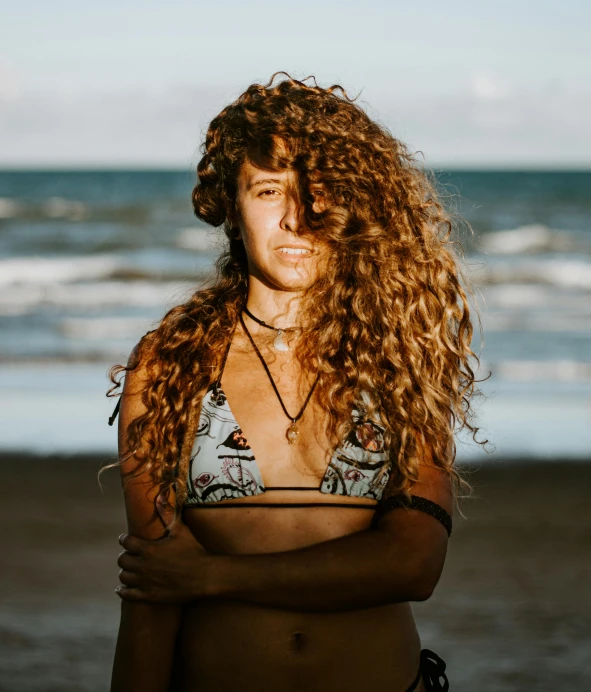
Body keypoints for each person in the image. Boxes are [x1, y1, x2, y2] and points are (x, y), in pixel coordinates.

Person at [107, 73, 483, 692]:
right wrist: (179, 581)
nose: (295, 217)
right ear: (232, 203)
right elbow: (152, 592)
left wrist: (211, 577)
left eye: (319, 190)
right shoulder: (171, 365)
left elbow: (413, 563)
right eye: (269, 189)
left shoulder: (398, 355)